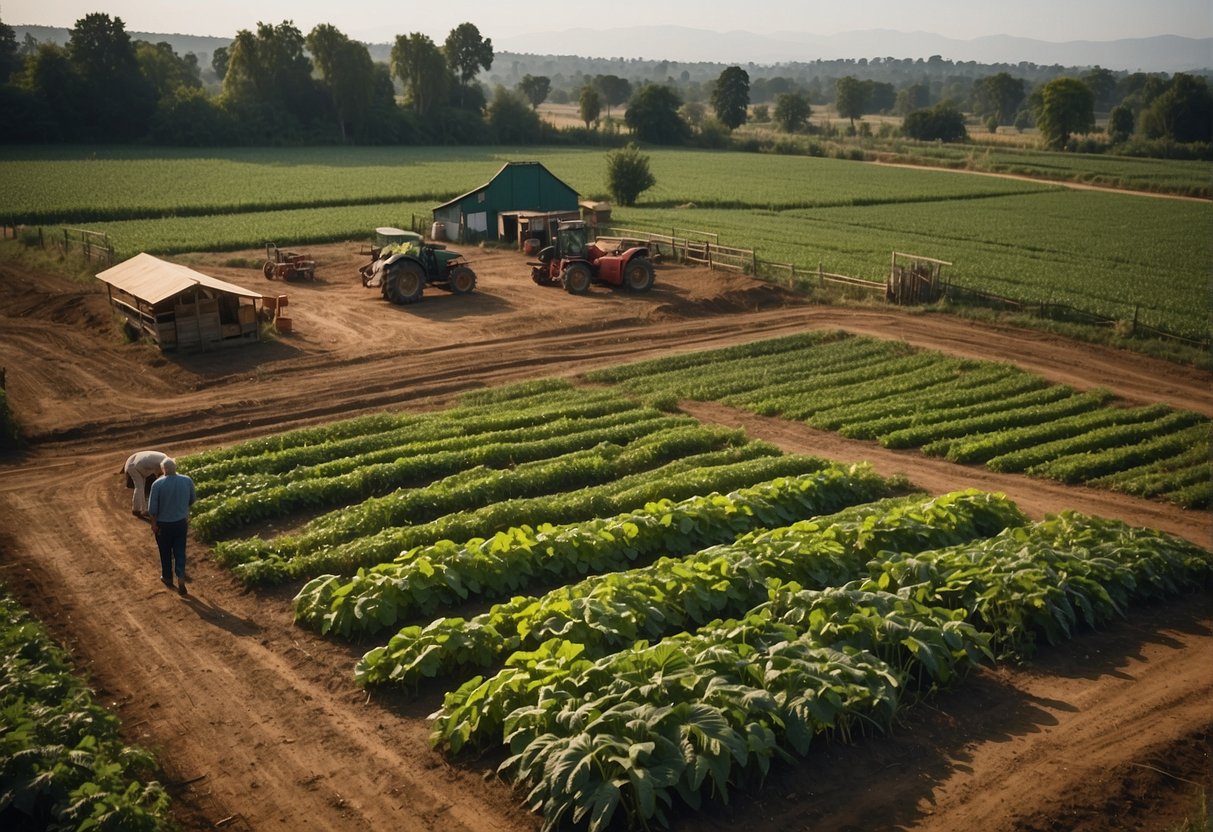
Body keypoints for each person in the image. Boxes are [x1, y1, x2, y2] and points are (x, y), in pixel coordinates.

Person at [147, 457, 196, 596]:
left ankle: (167, 577)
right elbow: (192, 499)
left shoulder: (157, 484)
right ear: (175, 468)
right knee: (180, 550)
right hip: (181, 522)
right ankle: (180, 576)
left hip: (164, 525)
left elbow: (152, 509)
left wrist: (154, 524)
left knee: (165, 551)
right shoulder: (187, 480)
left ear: (163, 470)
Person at [123, 450, 167, 517]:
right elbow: (160, 477)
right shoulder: (161, 463)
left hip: (140, 462)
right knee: (139, 487)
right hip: (132, 465)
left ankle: (145, 509)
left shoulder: (164, 459)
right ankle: (136, 510)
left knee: (143, 486)